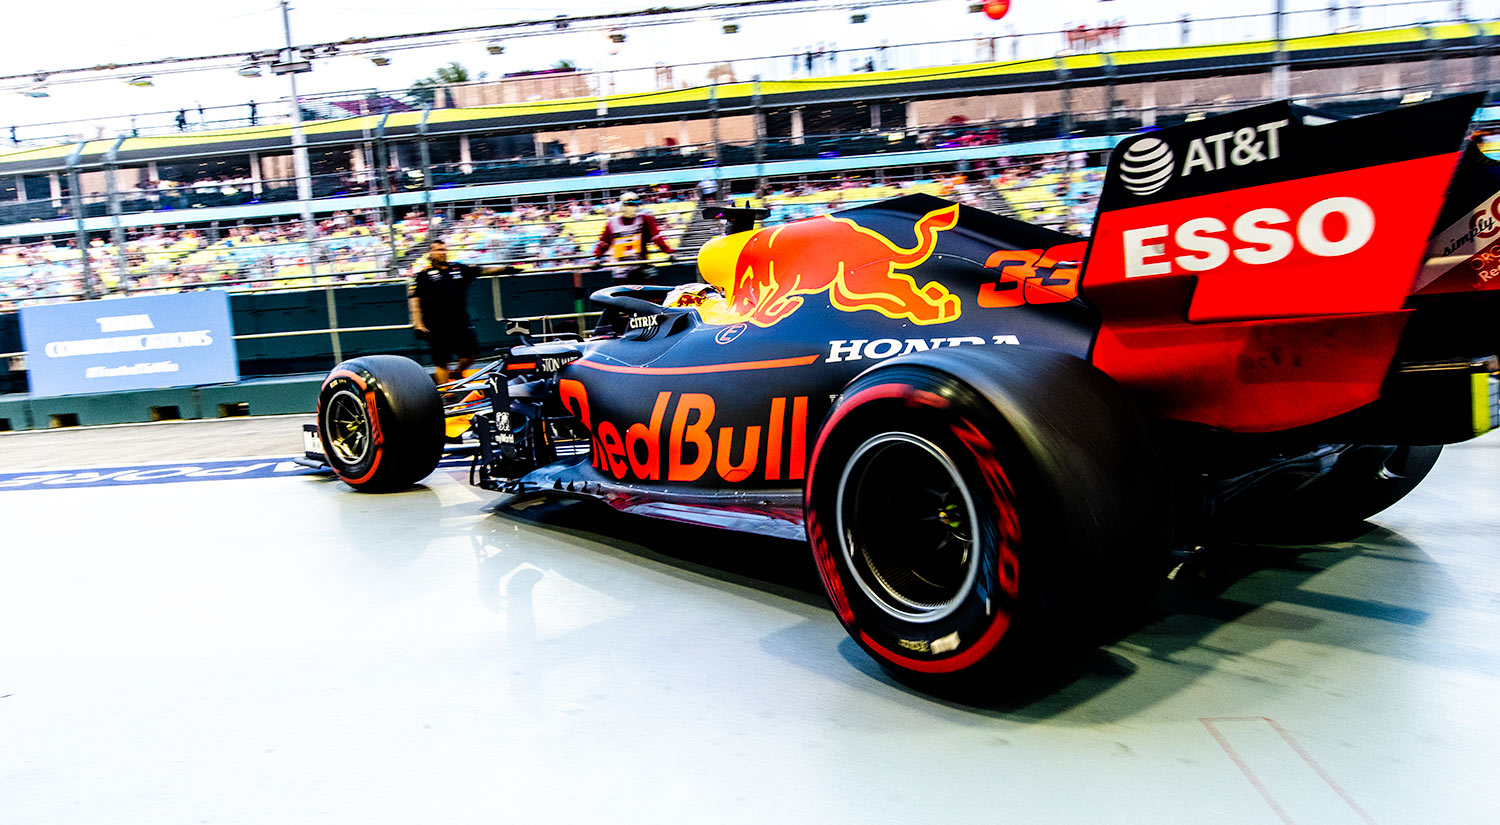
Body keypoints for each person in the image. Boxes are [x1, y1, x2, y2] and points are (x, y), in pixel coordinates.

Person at [409, 238, 500, 384]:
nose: (442, 253)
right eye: (438, 250)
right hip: (436, 325)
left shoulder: (458, 268)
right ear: (430, 253)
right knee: (441, 362)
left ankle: (458, 372)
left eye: (444, 249)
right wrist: (418, 324)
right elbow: (415, 300)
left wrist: (505, 269)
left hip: (460, 322)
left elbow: (481, 270)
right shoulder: (423, 275)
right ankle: (447, 396)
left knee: (471, 355)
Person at [591, 192, 673, 277]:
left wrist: (669, 252)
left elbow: (656, 237)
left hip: (641, 265)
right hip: (621, 268)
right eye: (629, 204)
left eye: (634, 204)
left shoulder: (645, 220)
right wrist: (597, 257)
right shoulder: (612, 222)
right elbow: (604, 243)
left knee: (648, 282)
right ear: (622, 205)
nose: (631, 207)